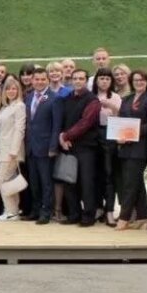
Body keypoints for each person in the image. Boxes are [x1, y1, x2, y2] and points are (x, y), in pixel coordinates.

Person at [115, 69, 147, 231]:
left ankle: (124, 217)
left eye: (142, 80)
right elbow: (120, 120)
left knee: (130, 184)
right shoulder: (127, 99)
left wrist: (133, 132)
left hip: (140, 147)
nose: (139, 82)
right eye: (136, 80)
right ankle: (143, 217)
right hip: (125, 146)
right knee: (137, 183)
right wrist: (119, 134)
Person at [58, 69, 101, 227]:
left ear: (86, 81)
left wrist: (66, 136)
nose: (77, 81)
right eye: (75, 78)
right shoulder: (67, 98)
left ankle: (88, 215)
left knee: (86, 182)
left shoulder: (92, 100)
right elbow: (62, 119)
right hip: (69, 146)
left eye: (81, 78)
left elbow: (86, 123)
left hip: (86, 147)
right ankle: (74, 214)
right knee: (70, 181)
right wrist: (62, 137)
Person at [24, 68, 62, 225]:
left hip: (46, 147)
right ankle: (35, 209)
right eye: (36, 79)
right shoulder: (29, 96)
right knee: (33, 181)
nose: (39, 82)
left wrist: (53, 147)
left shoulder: (54, 99)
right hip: (31, 147)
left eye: (42, 79)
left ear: (47, 80)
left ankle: (46, 211)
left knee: (46, 182)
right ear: (32, 81)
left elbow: (56, 126)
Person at [92, 67, 122, 227]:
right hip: (92, 137)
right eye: (101, 78)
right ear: (96, 80)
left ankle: (110, 210)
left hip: (110, 135)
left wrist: (111, 106)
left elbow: (123, 116)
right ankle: (98, 207)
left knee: (109, 175)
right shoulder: (91, 96)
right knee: (94, 174)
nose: (104, 81)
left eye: (107, 79)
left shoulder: (115, 97)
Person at [0, 76, 27, 221]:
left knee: (1, 179)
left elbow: (20, 129)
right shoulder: (6, 107)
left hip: (12, 151)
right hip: (2, 149)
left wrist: (14, 151)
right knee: (8, 181)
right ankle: (13, 210)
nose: (11, 91)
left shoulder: (19, 106)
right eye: (8, 88)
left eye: (14, 88)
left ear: (18, 90)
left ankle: (11, 211)